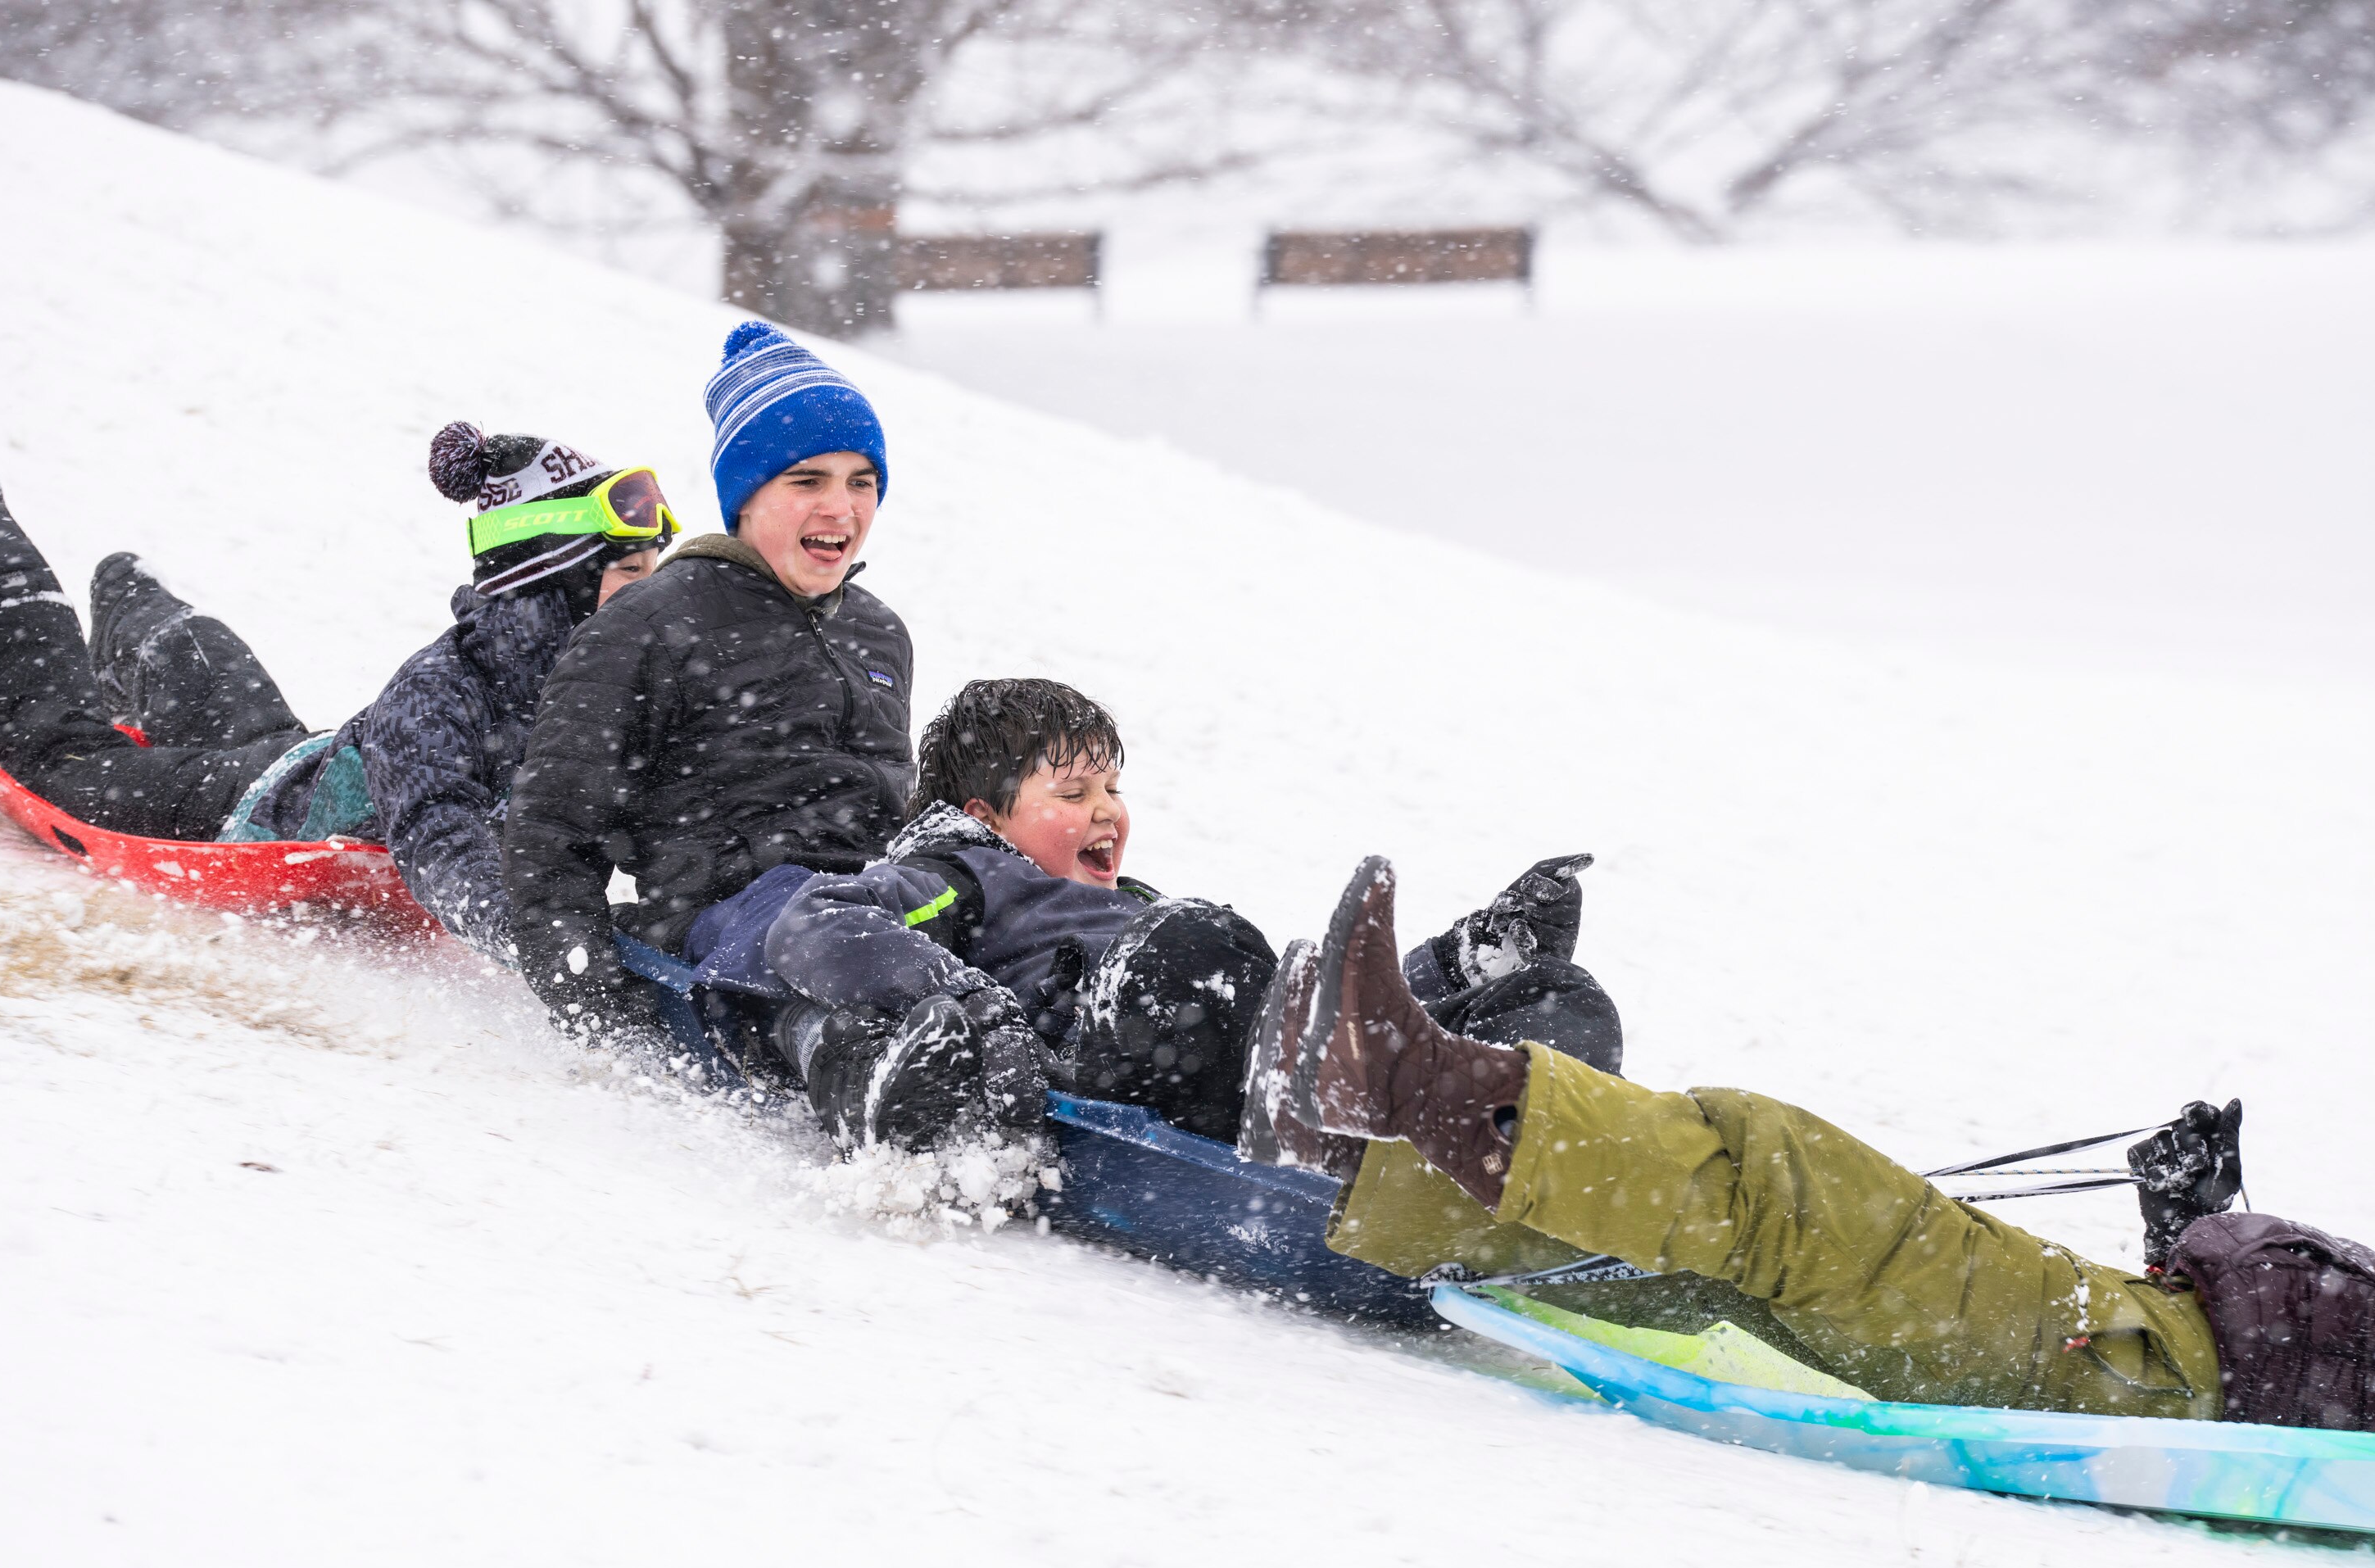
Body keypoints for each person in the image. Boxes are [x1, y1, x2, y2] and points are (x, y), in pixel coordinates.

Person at [1242, 854, 2375, 1430]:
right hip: (2148, 1341)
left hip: (2156, 1368)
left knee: (1781, 1188)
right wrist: (2195, 1226)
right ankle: (1354, 1153)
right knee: (1711, 1260)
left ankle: (1400, 1080)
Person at [686, 676, 1624, 1153]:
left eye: (1114, 787)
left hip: (1239, 1049)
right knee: (1196, 946)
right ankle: (1387, 1106)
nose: (1107, 810)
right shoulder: (964, 869)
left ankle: (1513, 1088)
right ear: (988, 817)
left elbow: (1294, 1015)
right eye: (1074, 789)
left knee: (1558, 997)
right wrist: (967, 1000)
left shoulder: (1120, 904)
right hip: (1121, 1051)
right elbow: (814, 923)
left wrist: (1456, 965)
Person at [0, 430, 668, 957]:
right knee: (56, 750)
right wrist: (536, 943)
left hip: (307, 760)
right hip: (236, 808)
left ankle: (132, 598)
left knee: (225, 701)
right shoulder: (440, 692)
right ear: (551, 583)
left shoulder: (611, 694)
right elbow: (441, 835)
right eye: (627, 572)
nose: (650, 596)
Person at [504, 322, 913, 1040]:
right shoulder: (655, 622)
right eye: (807, 480)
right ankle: (911, 1061)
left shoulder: (877, 632)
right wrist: (593, 999)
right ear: (747, 496)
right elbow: (552, 832)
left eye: (862, 482)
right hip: (741, 925)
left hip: (884, 906)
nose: (841, 508)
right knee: (828, 926)